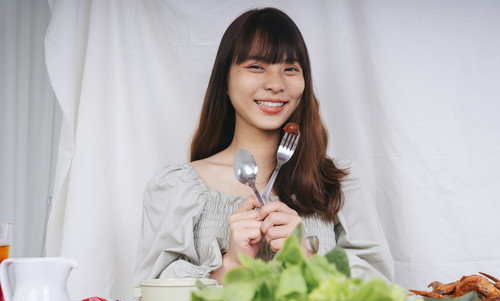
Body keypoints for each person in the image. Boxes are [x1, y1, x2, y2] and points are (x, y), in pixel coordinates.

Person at [133, 7, 394, 285]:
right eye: (256, 66)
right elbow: (149, 297)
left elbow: (382, 289)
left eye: (290, 69)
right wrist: (231, 264)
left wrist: (307, 259)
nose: (275, 84)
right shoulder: (177, 188)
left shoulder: (338, 183)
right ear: (225, 80)